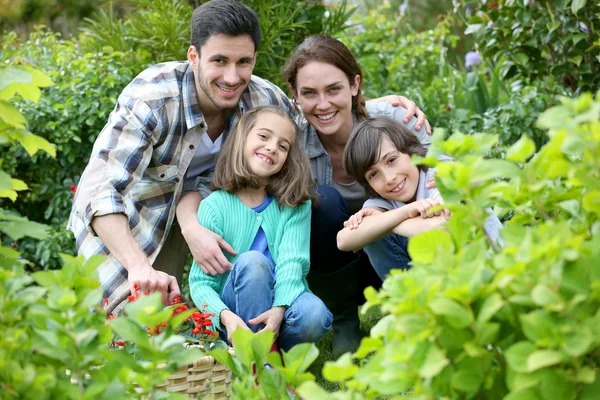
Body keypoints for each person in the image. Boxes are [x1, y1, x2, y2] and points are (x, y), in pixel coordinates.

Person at [67, 0, 425, 310]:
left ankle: (266, 327)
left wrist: (382, 108)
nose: (232, 76)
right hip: (138, 220)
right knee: (129, 328)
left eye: (244, 62)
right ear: (194, 56)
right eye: (219, 61)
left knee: (183, 325)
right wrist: (138, 266)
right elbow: (98, 191)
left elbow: (316, 114)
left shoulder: (261, 99)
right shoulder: (152, 99)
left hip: (223, 219)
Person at [281, 34, 432, 353]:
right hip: (339, 260)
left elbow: (440, 174)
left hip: (405, 247)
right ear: (295, 96)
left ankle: (417, 305)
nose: (322, 104)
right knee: (320, 200)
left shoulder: (394, 119)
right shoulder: (290, 143)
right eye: (309, 93)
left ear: (354, 84)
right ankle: (344, 320)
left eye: (334, 89)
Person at [187, 106, 332, 350]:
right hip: (236, 317)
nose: (272, 147)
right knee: (253, 262)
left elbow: (292, 263)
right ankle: (255, 359)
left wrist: (279, 309)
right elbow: (201, 284)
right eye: (264, 137)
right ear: (242, 139)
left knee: (315, 314)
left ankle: (271, 352)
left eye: (283, 146)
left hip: (282, 304)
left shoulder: (294, 204)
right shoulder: (214, 206)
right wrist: (225, 317)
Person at [338, 116, 503, 279]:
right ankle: (410, 298)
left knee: (375, 228)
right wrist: (404, 212)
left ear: (410, 151)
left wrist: (389, 224)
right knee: (372, 236)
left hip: (492, 268)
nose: (389, 178)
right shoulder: (380, 202)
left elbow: (441, 227)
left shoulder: (438, 178)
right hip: (443, 278)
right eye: (373, 174)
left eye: (391, 160)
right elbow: (343, 240)